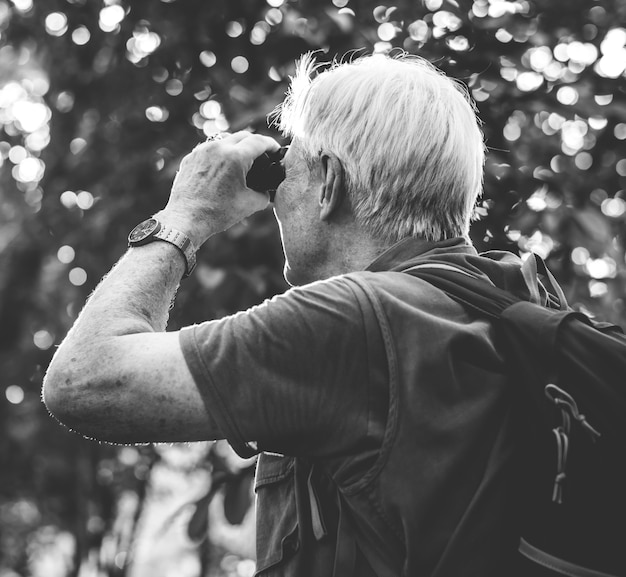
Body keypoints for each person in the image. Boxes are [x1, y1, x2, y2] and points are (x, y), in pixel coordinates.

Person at [43, 53, 543, 576]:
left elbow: (84, 380)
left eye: (286, 166)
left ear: (329, 181)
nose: (276, 194)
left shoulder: (355, 321)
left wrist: (183, 217)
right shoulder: (512, 298)